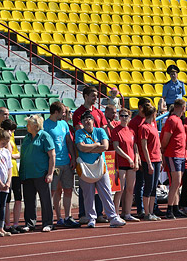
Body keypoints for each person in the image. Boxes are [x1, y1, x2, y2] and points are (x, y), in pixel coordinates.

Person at [74, 111, 126, 228]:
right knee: (88, 195)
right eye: (84, 120)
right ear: (82, 123)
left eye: (89, 119)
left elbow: (105, 146)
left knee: (106, 192)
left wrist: (89, 149)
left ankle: (112, 217)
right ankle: (91, 218)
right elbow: (81, 147)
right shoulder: (79, 133)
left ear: (93, 121)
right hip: (85, 168)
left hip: (101, 167)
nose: (87, 122)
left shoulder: (100, 131)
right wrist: (96, 146)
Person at [73, 86, 106, 223]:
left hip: (97, 157)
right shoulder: (78, 113)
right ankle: (84, 214)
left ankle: (99, 213)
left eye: (96, 95)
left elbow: (103, 133)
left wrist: (95, 147)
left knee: (100, 185)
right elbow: (82, 135)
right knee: (85, 187)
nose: (96, 98)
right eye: (93, 95)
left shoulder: (99, 112)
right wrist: (97, 147)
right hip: (85, 157)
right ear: (85, 96)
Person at [43, 102, 79, 228]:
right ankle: (56, 218)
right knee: (54, 191)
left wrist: (73, 158)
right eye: (63, 112)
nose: (65, 114)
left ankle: (68, 216)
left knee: (68, 189)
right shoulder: (45, 125)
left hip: (66, 163)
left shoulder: (64, 124)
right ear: (56, 112)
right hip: (54, 164)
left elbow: (68, 141)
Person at [19, 115, 55, 232]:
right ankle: (29, 223)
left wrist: (50, 173)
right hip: (27, 174)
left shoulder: (45, 136)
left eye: (28, 124)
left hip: (41, 173)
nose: (26, 126)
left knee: (45, 200)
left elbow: (52, 156)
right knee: (29, 200)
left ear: (35, 125)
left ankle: (48, 223)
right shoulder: (27, 137)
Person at [160, 99, 187, 219]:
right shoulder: (172, 120)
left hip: (180, 154)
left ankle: (175, 208)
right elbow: (166, 138)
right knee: (175, 182)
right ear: (183, 107)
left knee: (177, 183)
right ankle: (170, 209)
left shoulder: (178, 120)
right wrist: (164, 150)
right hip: (174, 154)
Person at [111, 108, 139, 222]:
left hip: (131, 163)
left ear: (129, 117)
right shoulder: (116, 131)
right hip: (121, 163)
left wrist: (136, 160)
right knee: (120, 189)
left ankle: (127, 213)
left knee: (130, 189)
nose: (123, 118)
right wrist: (128, 158)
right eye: (122, 115)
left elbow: (135, 147)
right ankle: (115, 213)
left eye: (126, 116)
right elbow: (116, 147)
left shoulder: (131, 131)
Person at [139, 104, 162, 221]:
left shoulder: (153, 125)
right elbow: (144, 147)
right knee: (148, 185)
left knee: (154, 187)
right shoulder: (144, 127)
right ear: (153, 114)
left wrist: (160, 158)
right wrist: (148, 163)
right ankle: (147, 212)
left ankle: (151, 211)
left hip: (157, 158)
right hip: (150, 159)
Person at [129, 97, 151, 218]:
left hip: (150, 156)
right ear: (140, 107)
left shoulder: (150, 120)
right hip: (139, 156)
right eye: (147, 105)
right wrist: (137, 157)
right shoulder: (134, 122)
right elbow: (133, 141)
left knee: (150, 183)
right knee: (140, 183)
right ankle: (140, 208)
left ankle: (152, 207)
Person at [0, 118, 23, 234]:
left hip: (15, 171)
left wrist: (15, 155)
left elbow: (17, 154)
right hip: (6, 171)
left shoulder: (12, 138)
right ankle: (7, 224)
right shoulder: (3, 139)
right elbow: (9, 153)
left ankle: (16, 223)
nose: (12, 133)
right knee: (7, 200)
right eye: (11, 131)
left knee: (18, 198)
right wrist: (15, 155)